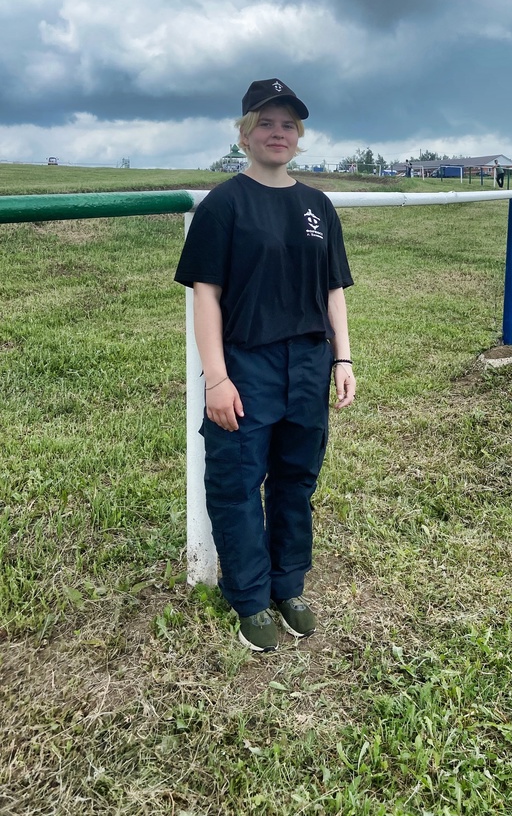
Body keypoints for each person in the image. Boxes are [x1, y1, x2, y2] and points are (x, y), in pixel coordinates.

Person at [174, 78, 356, 653]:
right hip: (246, 363)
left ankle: (287, 584)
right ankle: (250, 597)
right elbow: (206, 295)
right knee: (236, 482)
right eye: (266, 123)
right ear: (245, 134)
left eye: (288, 125)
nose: (278, 133)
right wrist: (217, 377)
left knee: (296, 479)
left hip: (308, 360)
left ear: (299, 139)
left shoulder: (317, 206)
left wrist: (343, 356)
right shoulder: (224, 204)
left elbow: (333, 289)